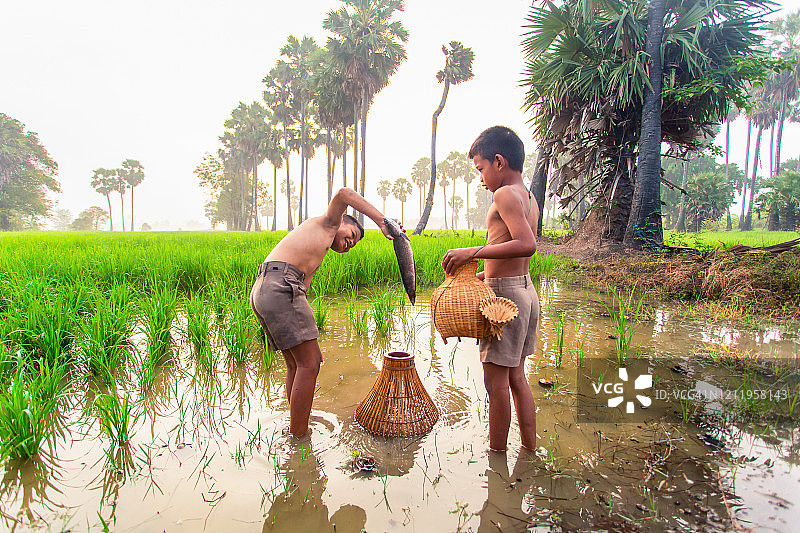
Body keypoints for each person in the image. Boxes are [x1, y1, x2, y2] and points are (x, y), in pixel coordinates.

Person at [250, 187, 400, 437]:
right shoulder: (329, 222)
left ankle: (295, 426)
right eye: (352, 234)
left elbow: (300, 293)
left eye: (354, 244)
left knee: (297, 365)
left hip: (265, 288)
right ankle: (300, 436)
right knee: (310, 364)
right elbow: (343, 193)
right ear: (342, 222)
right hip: (281, 285)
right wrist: (382, 222)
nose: (350, 243)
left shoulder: (316, 245)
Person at [441, 126, 540, 452]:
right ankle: (529, 450)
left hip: (505, 301)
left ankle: (495, 459)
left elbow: (526, 245)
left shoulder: (504, 194)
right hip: (523, 291)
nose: (481, 178)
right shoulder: (529, 197)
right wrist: (483, 274)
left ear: (499, 161)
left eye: (481, 169)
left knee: (495, 384)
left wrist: (473, 252)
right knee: (516, 379)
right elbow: (511, 252)